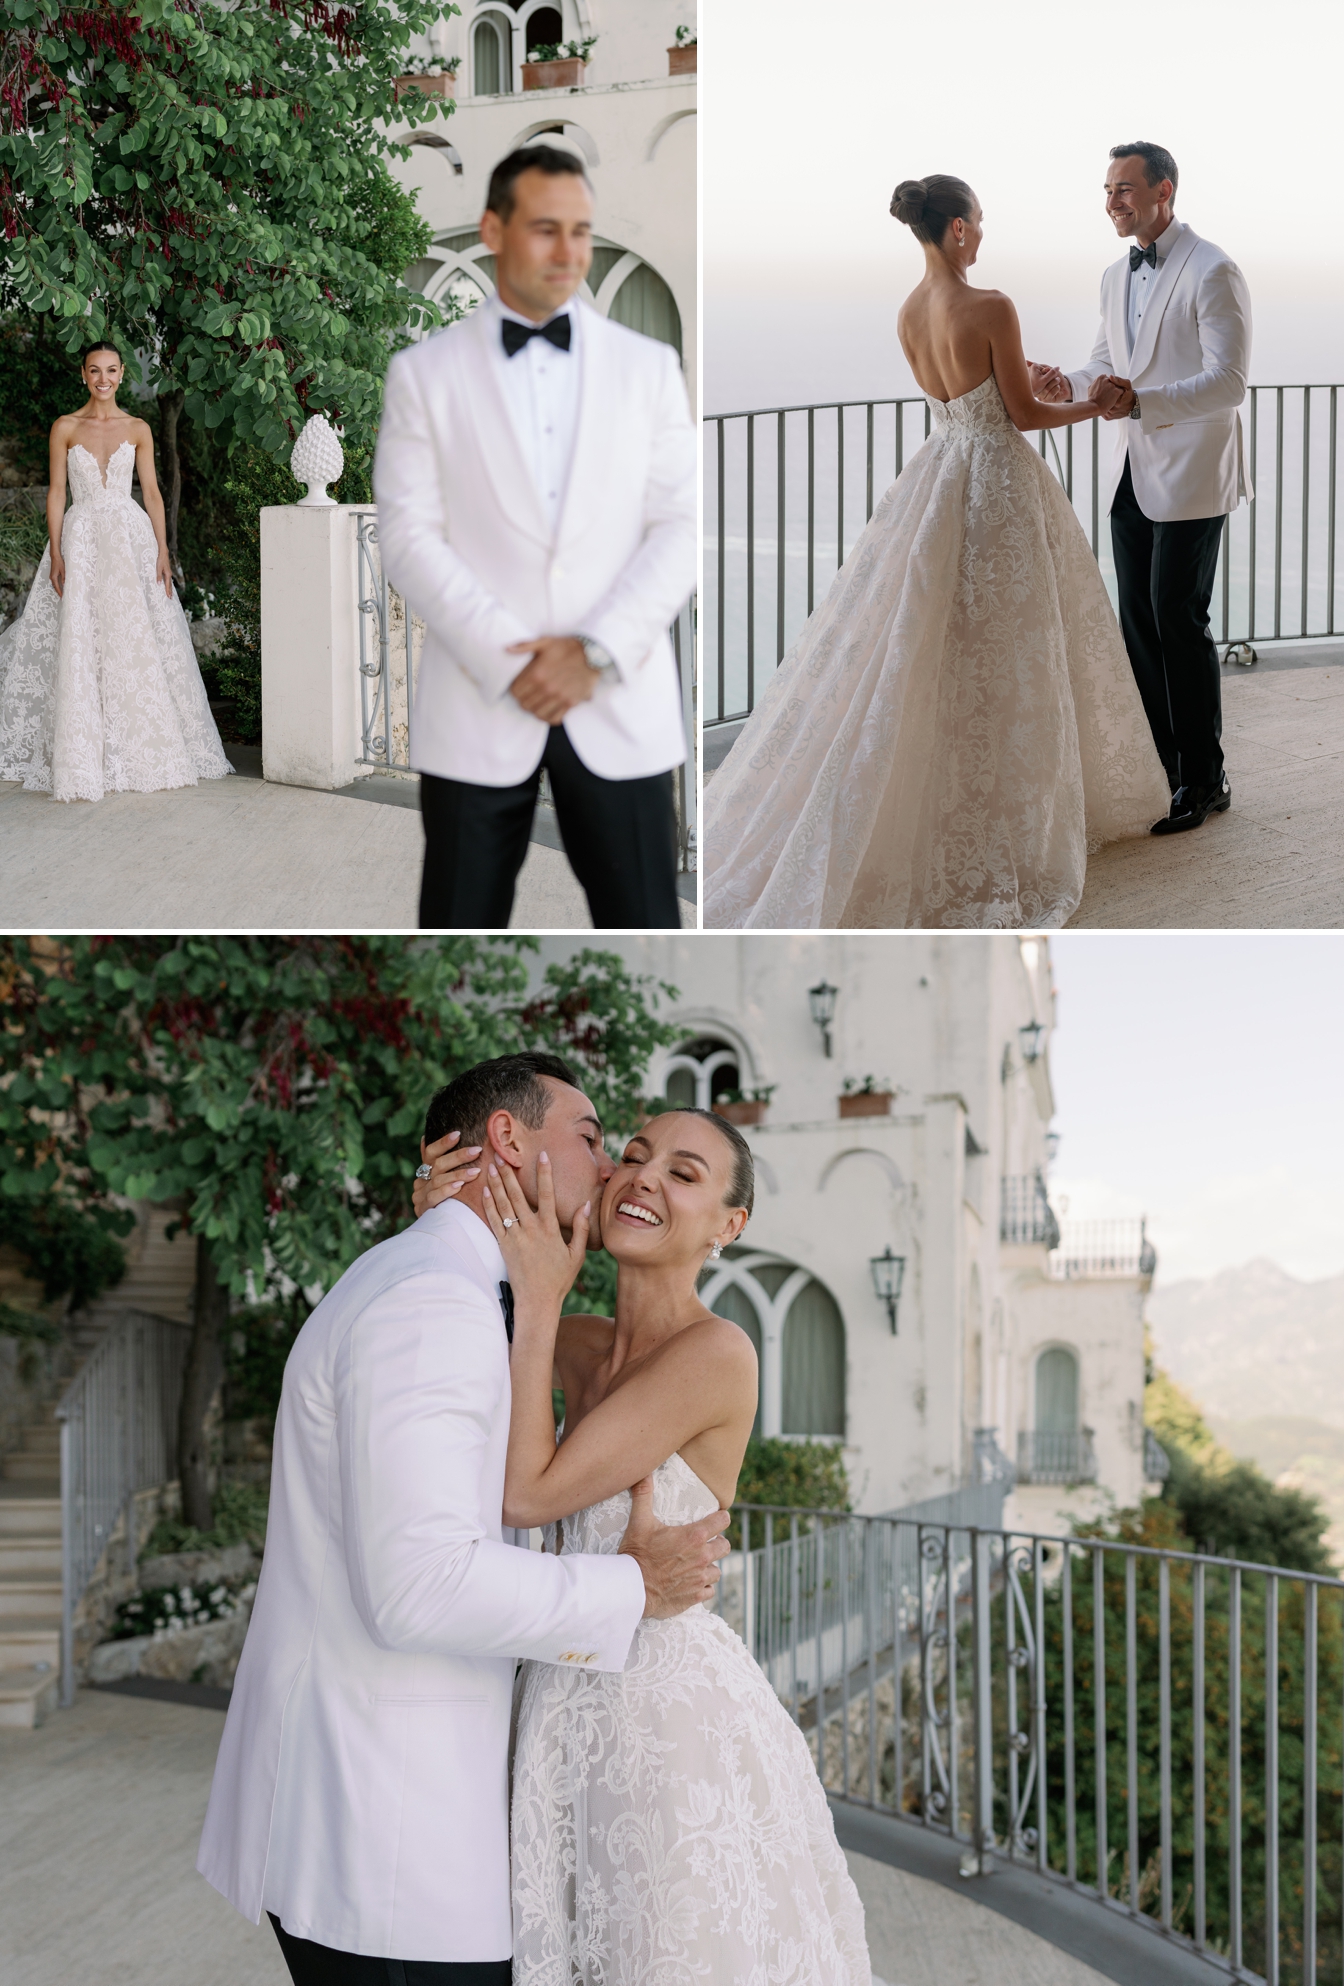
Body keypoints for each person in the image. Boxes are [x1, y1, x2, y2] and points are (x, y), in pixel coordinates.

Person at [197, 1054, 731, 1985]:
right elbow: (422, 1587)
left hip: (476, 1791)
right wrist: (630, 1585)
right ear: (507, 1140)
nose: (613, 1173)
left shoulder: (458, 1289)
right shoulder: (436, 1303)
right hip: (390, 1841)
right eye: (598, 1140)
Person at [414, 1107, 873, 1984]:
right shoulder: (573, 1344)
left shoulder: (718, 1353)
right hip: (553, 1701)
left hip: (664, 1721)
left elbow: (528, 1492)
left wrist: (541, 1297)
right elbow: (452, 1311)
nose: (644, 1177)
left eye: (685, 1173)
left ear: (728, 1227)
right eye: (632, 1156)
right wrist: (441, 1213)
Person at [702, 176, 1169, 930]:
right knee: (1012, 655)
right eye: (978, 223)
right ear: (956, 229)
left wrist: (1040, 382)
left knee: (933, 650)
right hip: (998, 488)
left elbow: (979, 397)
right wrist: (1095, 402)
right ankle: (1010, 823)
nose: (982, 234)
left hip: (940, 476)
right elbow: (1019, 414)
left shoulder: (910, 312)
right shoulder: (991, 305)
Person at [374, 145, 696, 930]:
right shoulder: (423, 373)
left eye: (582, 231)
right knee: (458, 925)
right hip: (481, 705)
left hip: (620, 703)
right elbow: (409, 538)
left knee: (648, 928)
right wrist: (510, 658)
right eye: (547, 229)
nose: (569, 252)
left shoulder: (649, 367)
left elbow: (683, 525)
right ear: (493, 228)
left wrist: (591, 652)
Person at [1031, 142, 1252, 834]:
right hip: (1129, 472)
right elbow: (1106, 362)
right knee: (1138, 625)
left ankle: (1205, 780)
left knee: (1176, 619)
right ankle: (1161, 767)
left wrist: (1141, 402)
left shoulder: (1213, 268)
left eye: (1125, 189)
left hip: (1191, 472)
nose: (1112, 202)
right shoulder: (1112, 275)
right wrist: (1064, 384)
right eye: (1107, 191)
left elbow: (1230, 383)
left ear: (1166, 190)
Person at [0, 339, 231, 803]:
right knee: (82, 635)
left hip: (131, 540)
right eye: (93, 371)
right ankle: (81, 749)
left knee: (131, 635)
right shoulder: (65, 426)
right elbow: (57, 493)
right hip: (81, 540)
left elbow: (151, 491)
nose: (102, 379)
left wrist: (163, 549)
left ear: (122, 374)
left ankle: (137, 746)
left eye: (110, 370)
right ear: (82, 375)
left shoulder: (139, 427)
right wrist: (58, 551)